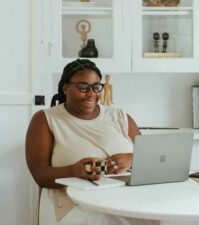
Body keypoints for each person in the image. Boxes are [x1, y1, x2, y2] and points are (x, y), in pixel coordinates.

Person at [25, 59, 158, 225]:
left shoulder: (119, 116)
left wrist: (132, 158)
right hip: (74, 201)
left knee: (157, 215)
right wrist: (75, 170)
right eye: (83, 87)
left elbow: (151, 158)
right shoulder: (46, 119)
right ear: (66, 88)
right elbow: (40, 175)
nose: (91, 94)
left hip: (125, 198)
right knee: (104, 219)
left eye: (96, 87)